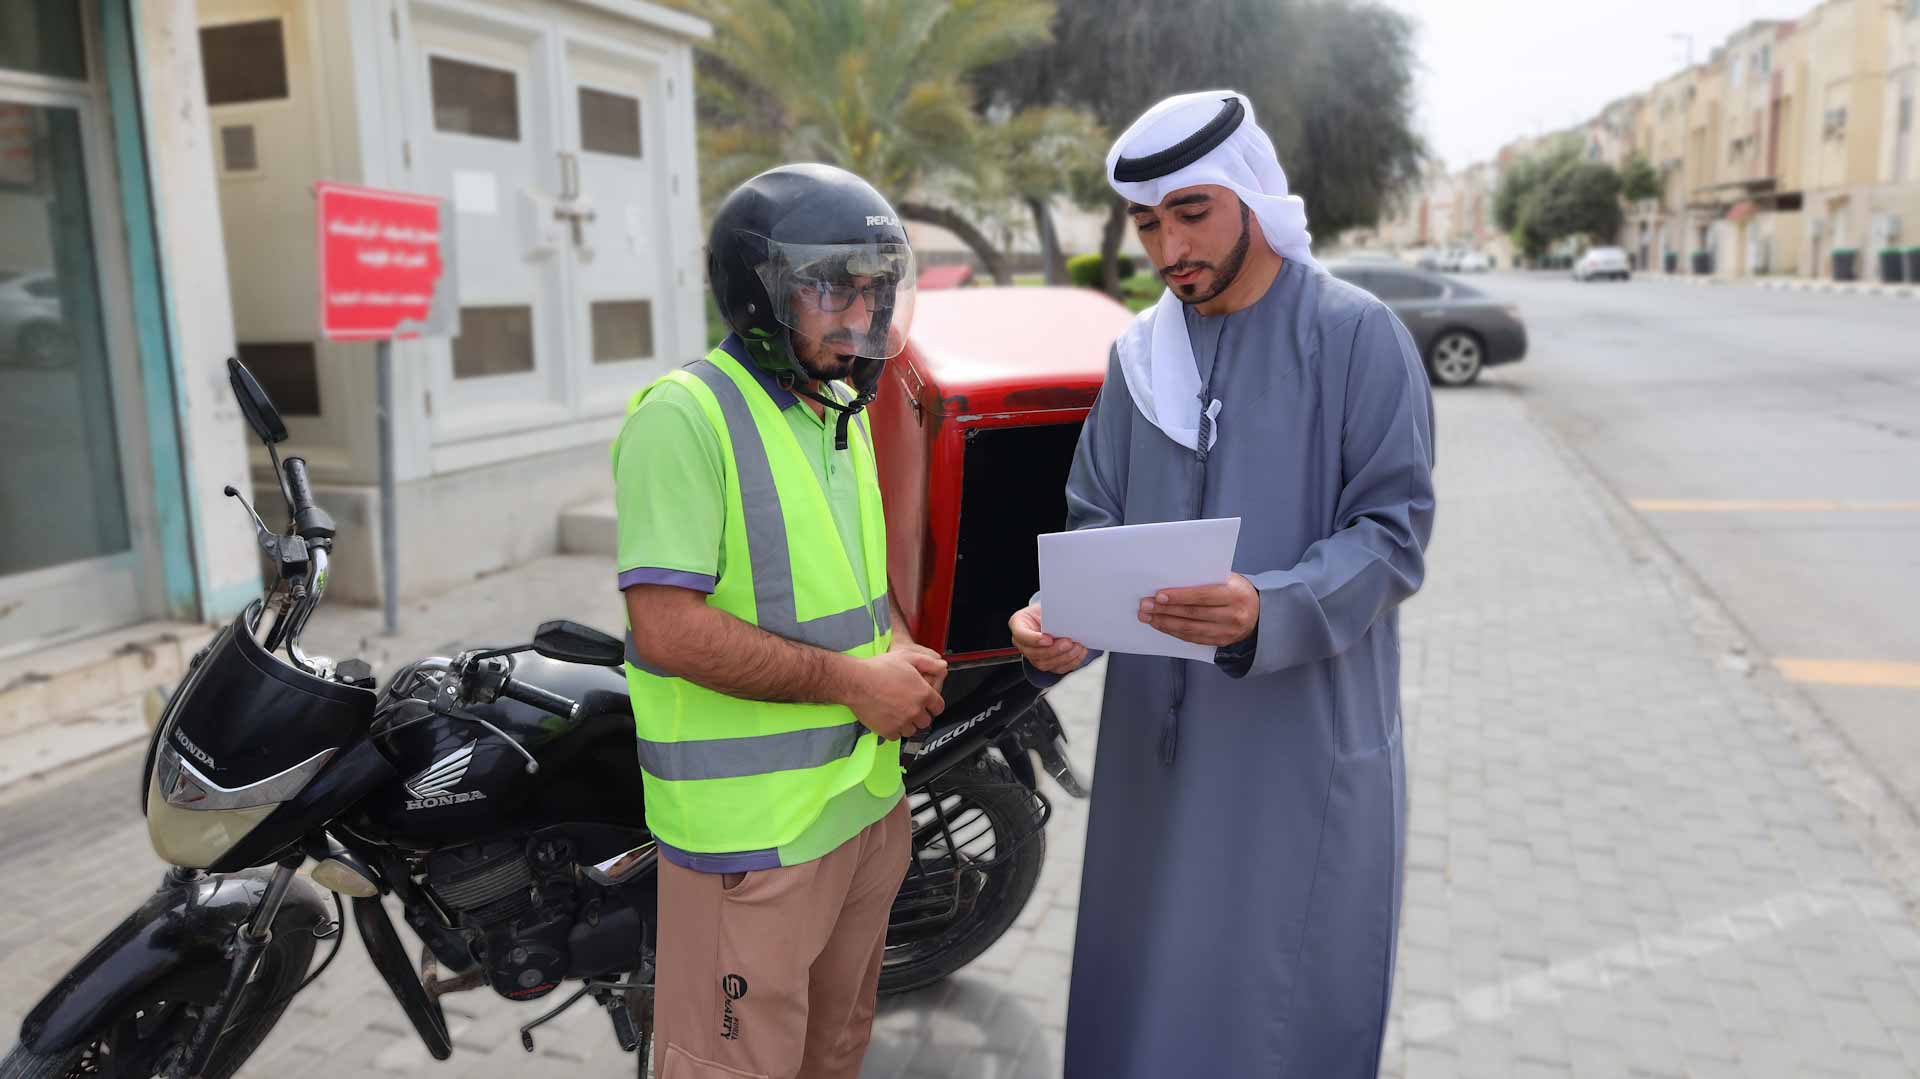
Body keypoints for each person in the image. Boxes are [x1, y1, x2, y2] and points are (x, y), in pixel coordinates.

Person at [1008, 90, 1436, 1077]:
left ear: (1250, 194)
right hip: (1155, 756)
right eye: (1148, 223)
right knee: (1145, 987)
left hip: (1299, 743)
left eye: (1192, 213)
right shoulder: (1140, 357)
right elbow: (1096, 517)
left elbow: (1393, 529)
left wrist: (1270, 607)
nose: (1169, 249)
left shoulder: (1356, 336)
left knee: (1277, 998)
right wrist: (1066, 623)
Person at [614, 163, 946, 1078]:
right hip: (752, 844)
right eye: (833, 284)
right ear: (760, 292)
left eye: (878, 285)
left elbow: (848, 583)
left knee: (833, 1054)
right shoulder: (685, 417)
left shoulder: (835, 408)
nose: (862, 311)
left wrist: (899, 646)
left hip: (863, 807)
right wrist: (855, 682)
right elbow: (668, 630)